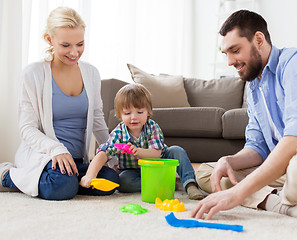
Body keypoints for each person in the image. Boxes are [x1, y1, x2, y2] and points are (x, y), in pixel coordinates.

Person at [190, 9, 297, 228]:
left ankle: (281, 195)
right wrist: (230, 161)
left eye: (235, 50)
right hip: (294, 173)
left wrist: (239, 194)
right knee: (210, 172)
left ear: (258, 39)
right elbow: (257, 147)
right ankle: (286, 205)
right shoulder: (253, 87)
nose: (230, 61)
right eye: (226, 54)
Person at [0, 6, 119, 200]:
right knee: (62, 187)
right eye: (66, 45)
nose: (74, 52)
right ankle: (7, 175)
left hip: (78, 161)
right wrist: (57, 150)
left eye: (80, 44)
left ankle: (68, 179)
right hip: (45, 157)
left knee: (111, 180)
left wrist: (113, 157)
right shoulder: (33, 74)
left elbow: (97, 119)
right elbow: (27, 128)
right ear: (50, 39)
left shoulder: (91, 73)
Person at [80, 83, 204, 200]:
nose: (134, 117)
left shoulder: (152, 127)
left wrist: (138, 152)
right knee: (123, 182)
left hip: (158, 164)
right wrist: (90, 175)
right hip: (133, 170)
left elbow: (156, 154)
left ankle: (190, 184)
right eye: (127, 113)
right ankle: (164, 184)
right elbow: (103, 153)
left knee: (177, 150)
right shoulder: (118, 132)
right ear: (120, 115)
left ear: (148, 112)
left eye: (140, 112)